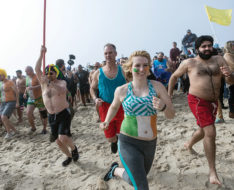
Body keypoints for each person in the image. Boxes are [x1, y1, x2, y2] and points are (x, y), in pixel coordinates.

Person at [101, 50, 175, 190]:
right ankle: (117, 170)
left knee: (134, 179)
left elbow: (171, 114)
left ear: (149, 67)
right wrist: (107, 121)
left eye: (145, 65)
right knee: (141, 185)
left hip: (150, 143)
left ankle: (115, 170)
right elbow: (113, 107)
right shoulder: (121, 90)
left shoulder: (157, 87)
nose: (142, 69)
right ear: (130, 67)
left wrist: (163, 107)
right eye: (137, 65)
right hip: (128, 142)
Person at [168, 35, 234, 185]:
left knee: (204, 129)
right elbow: (173, 77)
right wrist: (169, 95)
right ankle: (212, 172)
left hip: (213, 101)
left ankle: (189, 144)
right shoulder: (189, 62)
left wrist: (228, 75)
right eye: (203, 46)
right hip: (197, 100)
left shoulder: (219, 60)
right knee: (210, 132)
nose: (207, 48)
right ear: (197, 49)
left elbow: (230, 81)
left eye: (209, 45)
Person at [35, 46, 79, 166]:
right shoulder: (44, 84)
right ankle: (69, 156)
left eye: (52, 73)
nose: (49, 75)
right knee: (58, 142)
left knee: (63, 137)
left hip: (63, 113)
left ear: (56, 73)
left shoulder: (61, 82)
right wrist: (41, 54)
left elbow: (61, 90)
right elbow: (37, 69)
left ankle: (74, 149)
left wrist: (50, 82)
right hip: (51, 116)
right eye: (47, 73)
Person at [90, 43, 126, 153]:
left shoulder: (123, 71)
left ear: (115, 54)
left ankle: (120, 144)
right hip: (105, 107)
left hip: (121, 106)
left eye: (110, 53)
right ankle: (114, 142)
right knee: (110, 137)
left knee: (123, 134)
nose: (108, 55)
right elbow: (92, 88)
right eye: (106, 53)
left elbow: (132, 85)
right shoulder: (98, 73)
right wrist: (95, 99)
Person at [0, 68, 19, 139]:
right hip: (3, 103)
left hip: (11, 101)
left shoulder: (10, 82)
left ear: (4, 75)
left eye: (0, 75)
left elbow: (16, 92)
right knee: (3, 118)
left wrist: (17, 102)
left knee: (4, 117)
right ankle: (15, 131)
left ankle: (9, 133)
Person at [24, 66, 47, 134]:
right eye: (25, 71)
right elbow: (27, 87)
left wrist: (33, 87)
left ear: (31, 70)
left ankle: (44, 128)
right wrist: (25, 93)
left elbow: (42, 85)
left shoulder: (37, 76)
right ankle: (33, 127)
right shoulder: (27, 78)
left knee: (42, 114)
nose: (26, 73)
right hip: (31, 98)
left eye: (27, 71)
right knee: (28, 113)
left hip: (39, 98)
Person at [223, 41, 234, 118]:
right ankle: (232, 112)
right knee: (233, 94)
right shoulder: (227, 55)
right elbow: (233, 65)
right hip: (231, 77)